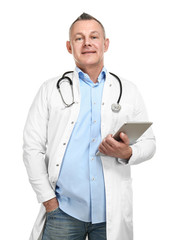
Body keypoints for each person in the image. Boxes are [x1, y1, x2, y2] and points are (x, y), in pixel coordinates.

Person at [23, 13, 156, 240]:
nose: (87, 43)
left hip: (110, 215)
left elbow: (150, 143)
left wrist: (129, 152)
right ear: (69, 46)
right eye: (79, 38)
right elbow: (32, 149)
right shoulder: (49, 90)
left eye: (94, 37)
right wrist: (49, 201)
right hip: (63, 212)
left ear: (105, 44)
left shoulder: (128, 90)